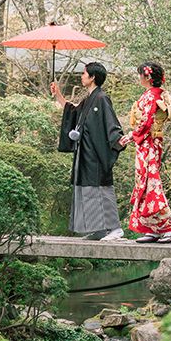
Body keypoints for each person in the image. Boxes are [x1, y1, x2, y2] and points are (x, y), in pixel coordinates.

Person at [51, 62, 126, 241]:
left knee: (101, 188)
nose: (82, 76)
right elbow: (73, 112)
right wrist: (58, 94)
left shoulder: (101, 98)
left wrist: (118, 140)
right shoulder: (89, 99)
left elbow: (111, 123)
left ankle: (114, 228)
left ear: (92, 77)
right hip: (85, 154)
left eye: (84, 73)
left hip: (97, 154)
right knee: (88, 190)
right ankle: (98, 229)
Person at [120, 61, 171, 244]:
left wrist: (131, 135)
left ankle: (168, 228)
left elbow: (145, 122)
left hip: (149, 143)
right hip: (148, 143)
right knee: (145, 183)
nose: (139, 78)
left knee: (151, 183)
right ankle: (153, 228)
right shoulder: (154, 94)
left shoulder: (152, 96)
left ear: (147, 77)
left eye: (140, 75)